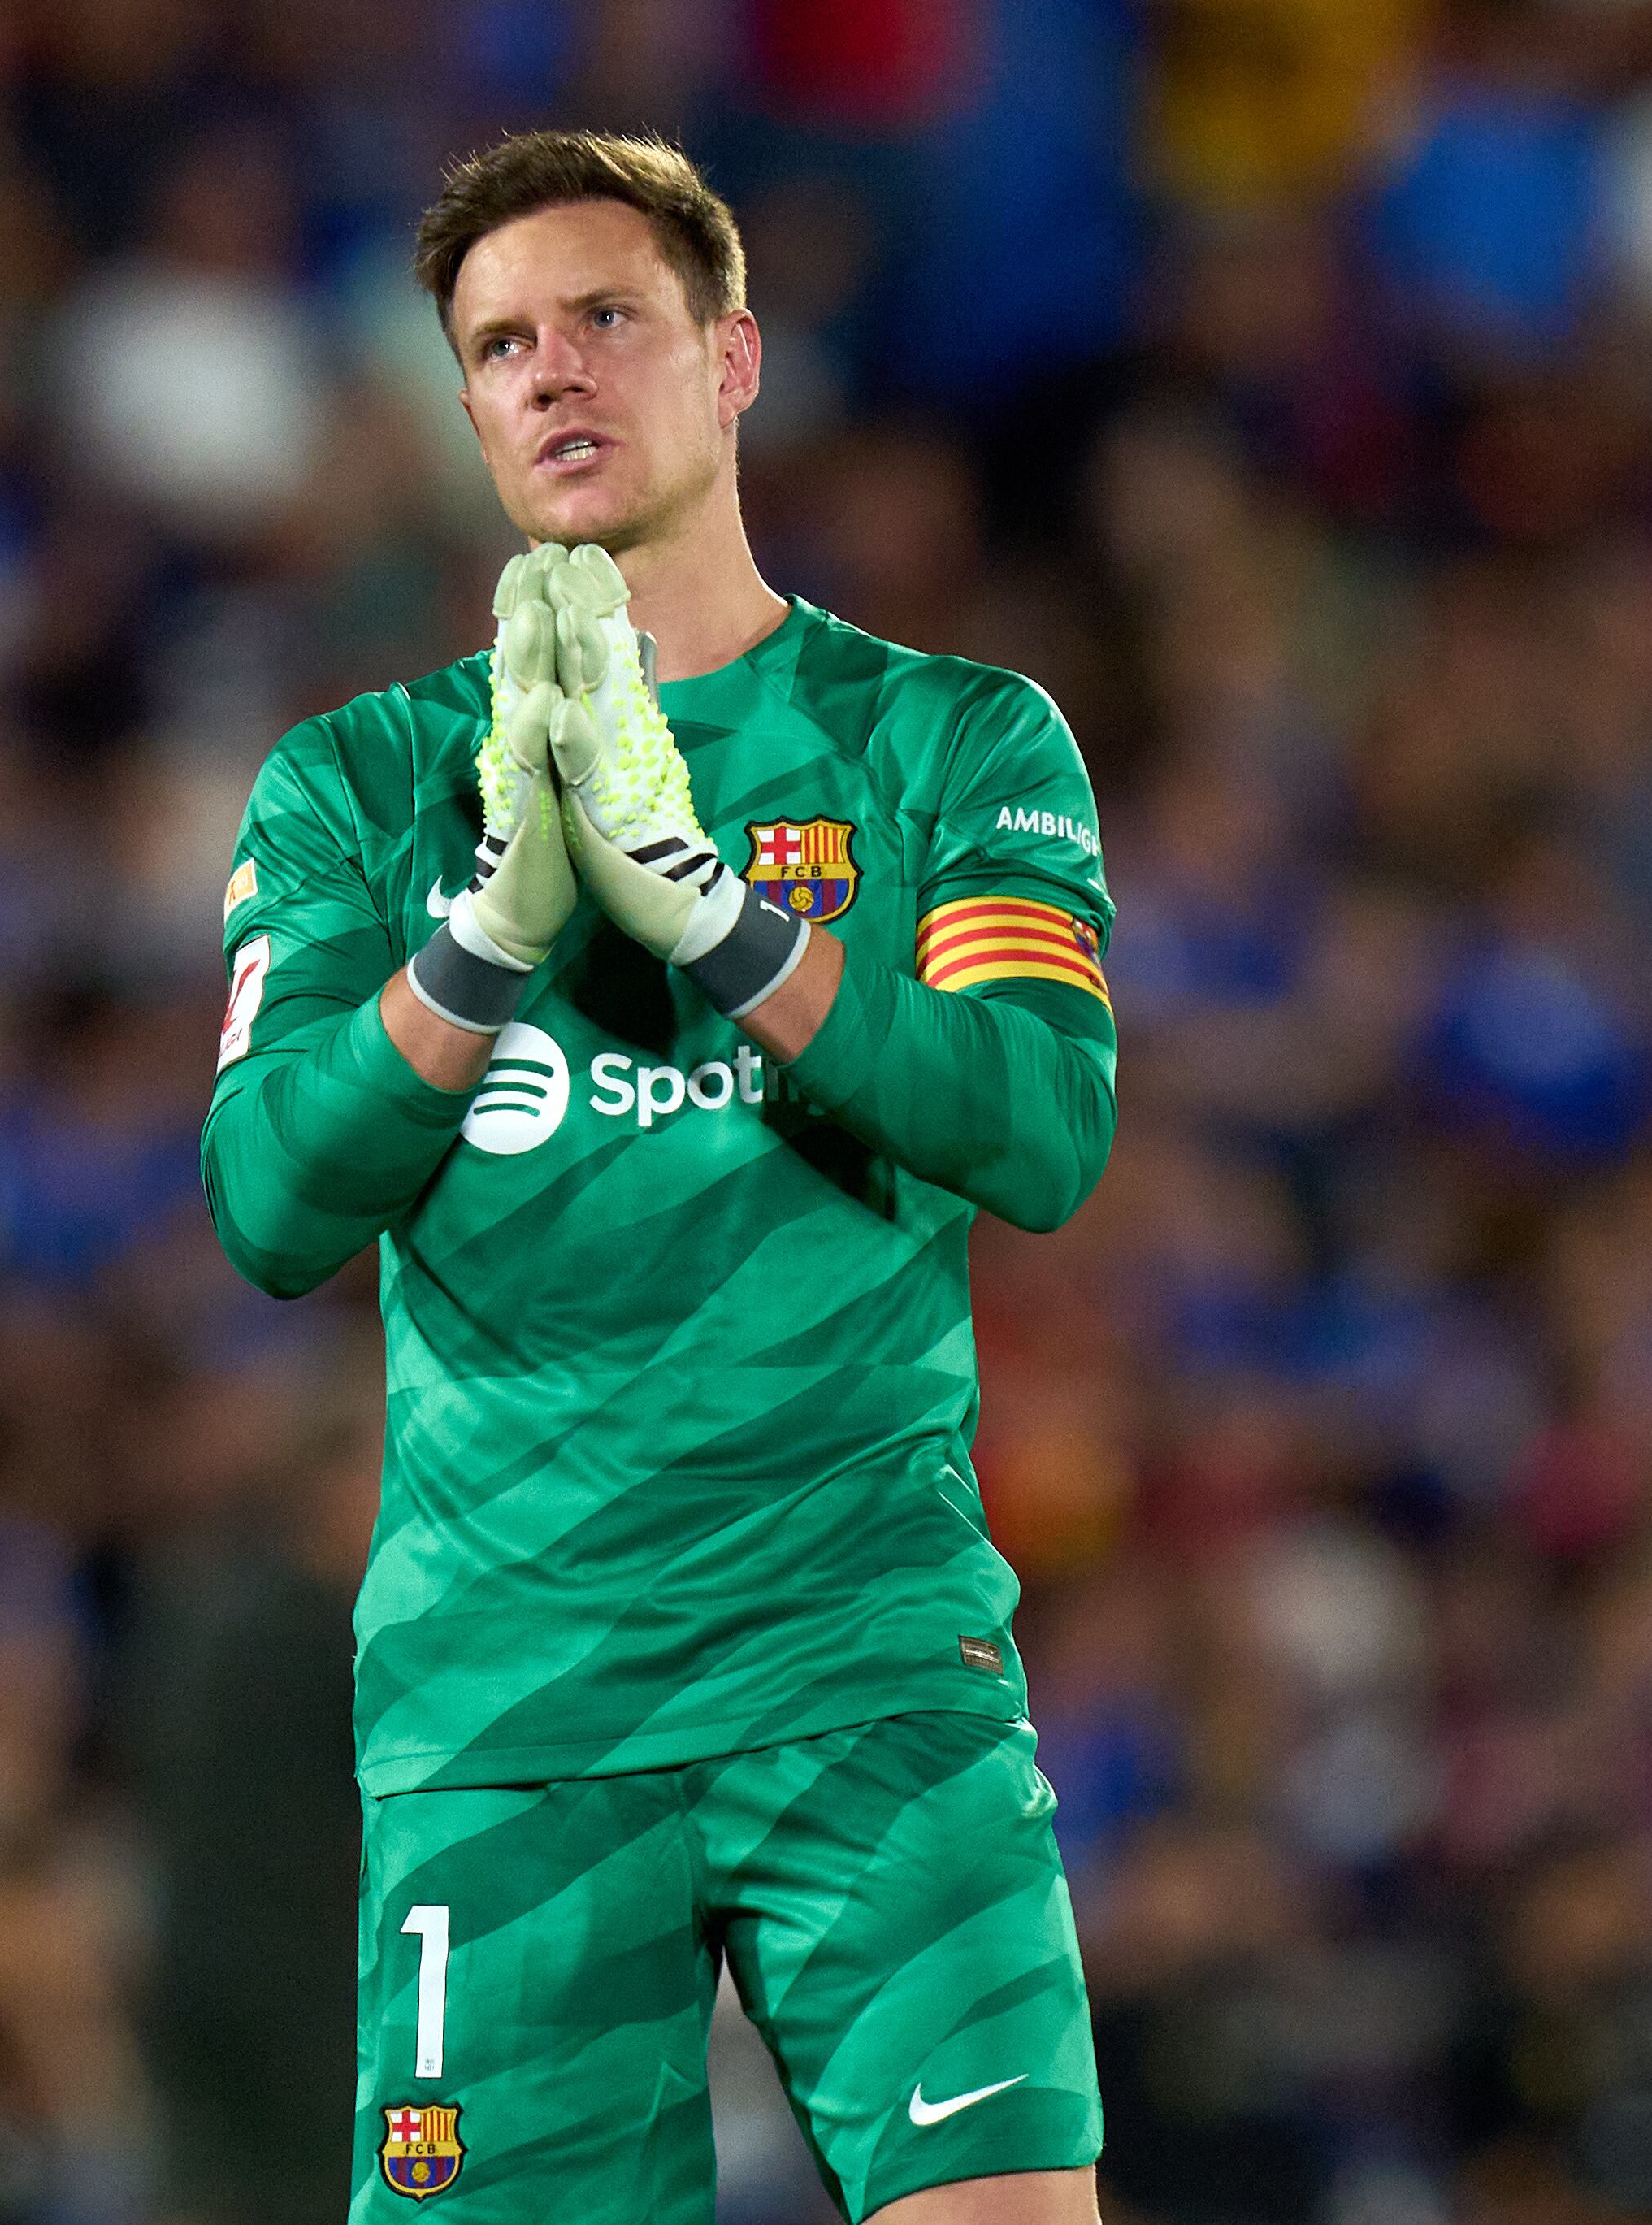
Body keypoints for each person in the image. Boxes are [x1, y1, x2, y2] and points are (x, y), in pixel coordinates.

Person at [201, 130, 1117, 2224]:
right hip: (508, 1709)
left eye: (606, 317)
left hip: (865, 1665)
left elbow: (1041, 1127)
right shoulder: (359, 784)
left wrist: (715, 919)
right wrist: (496, 928)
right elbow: (269, 1206)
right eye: (499, 343)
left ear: (734, 362)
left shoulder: (949, 743)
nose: (551, 373)